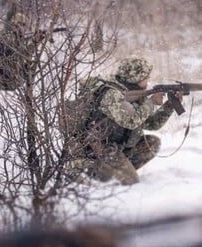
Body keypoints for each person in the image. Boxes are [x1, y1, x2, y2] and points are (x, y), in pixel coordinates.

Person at [71, 56, 182, 185]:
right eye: (145, 76)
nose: (148, 79)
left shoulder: (132, 93)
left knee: (152, 143)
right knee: (130, 180)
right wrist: (151, 102)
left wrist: (169, 105)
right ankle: (95, 172)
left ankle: (114, 170)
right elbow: (130, 121)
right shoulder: (111, 94)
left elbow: (152, 124)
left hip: (116, 146)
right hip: (98, 148)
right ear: (135, 77)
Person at [0, 6, 38, 91]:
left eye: (23, 25)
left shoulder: (18, 39)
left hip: (14, 85)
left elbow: (22, 57)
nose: (20, 27)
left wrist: (34, 44)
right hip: (2, 84)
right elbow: (16, 54)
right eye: (18, 24)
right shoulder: (5, 37)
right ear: (12, 24)